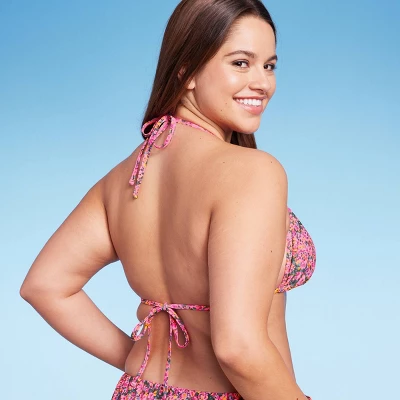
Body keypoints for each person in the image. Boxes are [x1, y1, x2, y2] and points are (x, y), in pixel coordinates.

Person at [20, 0, 316, 399]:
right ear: (187, 71)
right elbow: (239, 348)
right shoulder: (252, 171)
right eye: (241, 63)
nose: (263, 83)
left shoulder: (124, 178)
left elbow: (45, 285)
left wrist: (138, 362)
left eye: (269, 65)